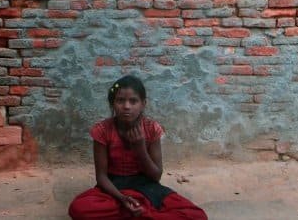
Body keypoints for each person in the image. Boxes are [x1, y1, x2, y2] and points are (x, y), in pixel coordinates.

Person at [68, 75, 207, 220]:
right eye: (120, 100)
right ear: (113, 104)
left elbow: (156, 176)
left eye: (133, 101)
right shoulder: (102, 130)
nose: (126, 106)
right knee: (78, 208)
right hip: (114, 188)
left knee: (197, 216)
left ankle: (140, 212)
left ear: (143, 104)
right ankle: (142, 213)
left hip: (146, 186)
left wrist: (140, 149)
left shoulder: (151, 129)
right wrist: (122, 198)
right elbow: (101, 177)